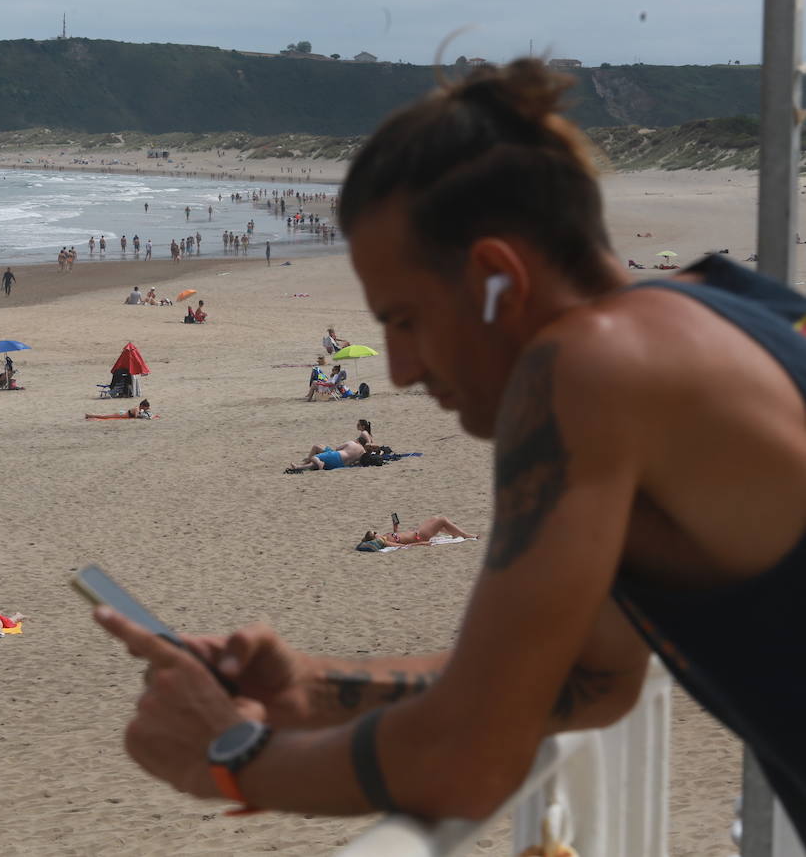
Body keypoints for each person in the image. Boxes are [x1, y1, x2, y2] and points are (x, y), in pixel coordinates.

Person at [93, 58, 806, 834]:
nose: (400, 370)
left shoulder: (585, 370)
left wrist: (230, 755)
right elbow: (588, 676)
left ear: (497, 277)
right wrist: (310, 689)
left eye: (406, 319)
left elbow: (468, 760)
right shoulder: (733, 311)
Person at [362, 516, 477, 547]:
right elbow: (402, 545)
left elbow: (397, 535)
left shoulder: (385, 536)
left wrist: (395, 526)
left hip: (417, 532)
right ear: (374, 538)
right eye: (374, 533)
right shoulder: (385, 542)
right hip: (420, 536)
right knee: (442, 520)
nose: (377, 533)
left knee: (434, 518)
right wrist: (422, 543)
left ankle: (454, 533)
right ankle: (465, 535)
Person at [286, 439, 366, 472]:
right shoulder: (363, 452)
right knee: (314, 463)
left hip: (337, 456)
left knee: (314, 458)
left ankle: (314, 464)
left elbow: (337, 449)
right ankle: (299, 467)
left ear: (358, 441)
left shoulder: (352, 443)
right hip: (341, 465)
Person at [85, 399, 152, 420]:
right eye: (146, 407)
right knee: (104, 417)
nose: (147, 409)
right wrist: (145, 417)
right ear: (142, 406)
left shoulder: (140, 409)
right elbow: (136, 416)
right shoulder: (137, 409)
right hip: (121, 414)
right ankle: (89, 415)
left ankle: (89, 415)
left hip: (123, 413)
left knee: (104, 416)